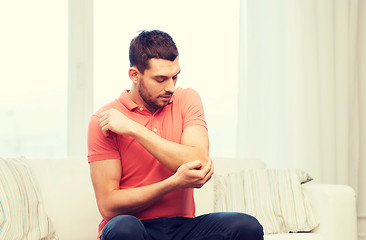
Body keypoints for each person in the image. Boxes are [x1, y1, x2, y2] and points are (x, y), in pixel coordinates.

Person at [87, 30, 263, 240]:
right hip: (135, 228)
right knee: (123, 228)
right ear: (135, 75)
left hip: (184, 227)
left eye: (175, 76)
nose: (170, 87)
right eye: (160, 79)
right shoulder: (104, 120)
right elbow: (109, 206)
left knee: (246, 226)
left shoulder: (186, 99)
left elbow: (197, 160)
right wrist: (173, 182)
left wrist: (134, 129)